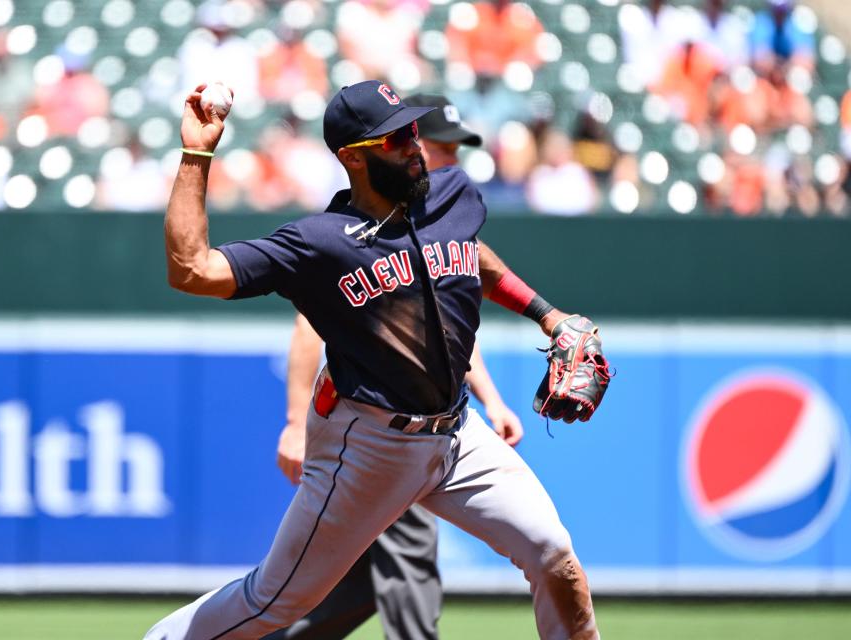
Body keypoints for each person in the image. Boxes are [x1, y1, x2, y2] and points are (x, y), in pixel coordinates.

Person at [145, 79, 602, 640]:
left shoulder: (452, 196)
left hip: (459, 433)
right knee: (273, 604)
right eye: (394, 139)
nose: (413, 144)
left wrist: (547, 316)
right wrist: (197, 154)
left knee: (554, 554)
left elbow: (469, 256)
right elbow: (191, 270)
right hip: (368, 445)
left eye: (412, 129)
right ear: (353, 159)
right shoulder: (319, 244)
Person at [266, 94, 523, 640]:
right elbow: (310, 326)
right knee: (410, 562)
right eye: (438, 144)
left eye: (452, 147)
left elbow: (445, 332)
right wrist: (294, 421)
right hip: (381, 422)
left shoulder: (433, 219)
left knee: (350, 587)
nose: (445, 156)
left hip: (415, 424)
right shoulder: (359, 231)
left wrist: (490, 398)